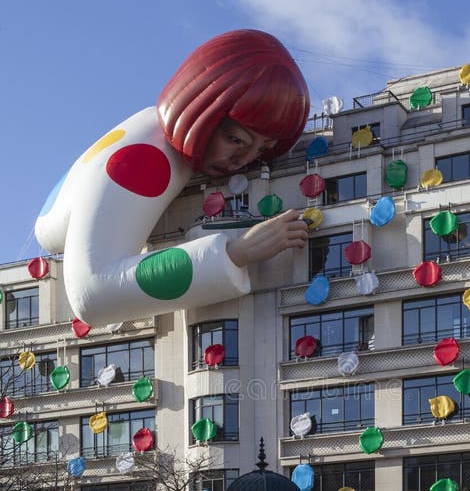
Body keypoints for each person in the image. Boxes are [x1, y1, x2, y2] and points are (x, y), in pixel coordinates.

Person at [34, 29, 311, 327]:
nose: (244, 160)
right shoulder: (141, 160)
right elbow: (92, 293)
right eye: (237, 140)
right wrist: (235, 252)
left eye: (263, 148)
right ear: (204, 114)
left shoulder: (150, 131)